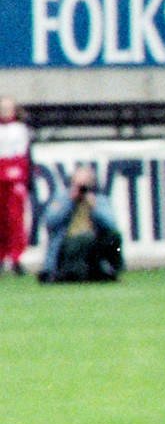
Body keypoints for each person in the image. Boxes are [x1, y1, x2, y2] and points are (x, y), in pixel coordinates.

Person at [37, 166, 124, 284]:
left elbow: (112, 225)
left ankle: (112, 269)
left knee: (114, 237)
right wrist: (70, 202)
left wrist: (95, 208)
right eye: (78, 185)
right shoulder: (62, 198)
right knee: (84, 240)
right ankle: (62, 273)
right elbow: (49, 222)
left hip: (92, 244)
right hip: (67, 244)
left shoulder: (100, 200)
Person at [0, 97, 30, 275]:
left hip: (13, 180)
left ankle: (16, 257)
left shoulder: (20, 130)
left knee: (15, 219)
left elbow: (22, 157)